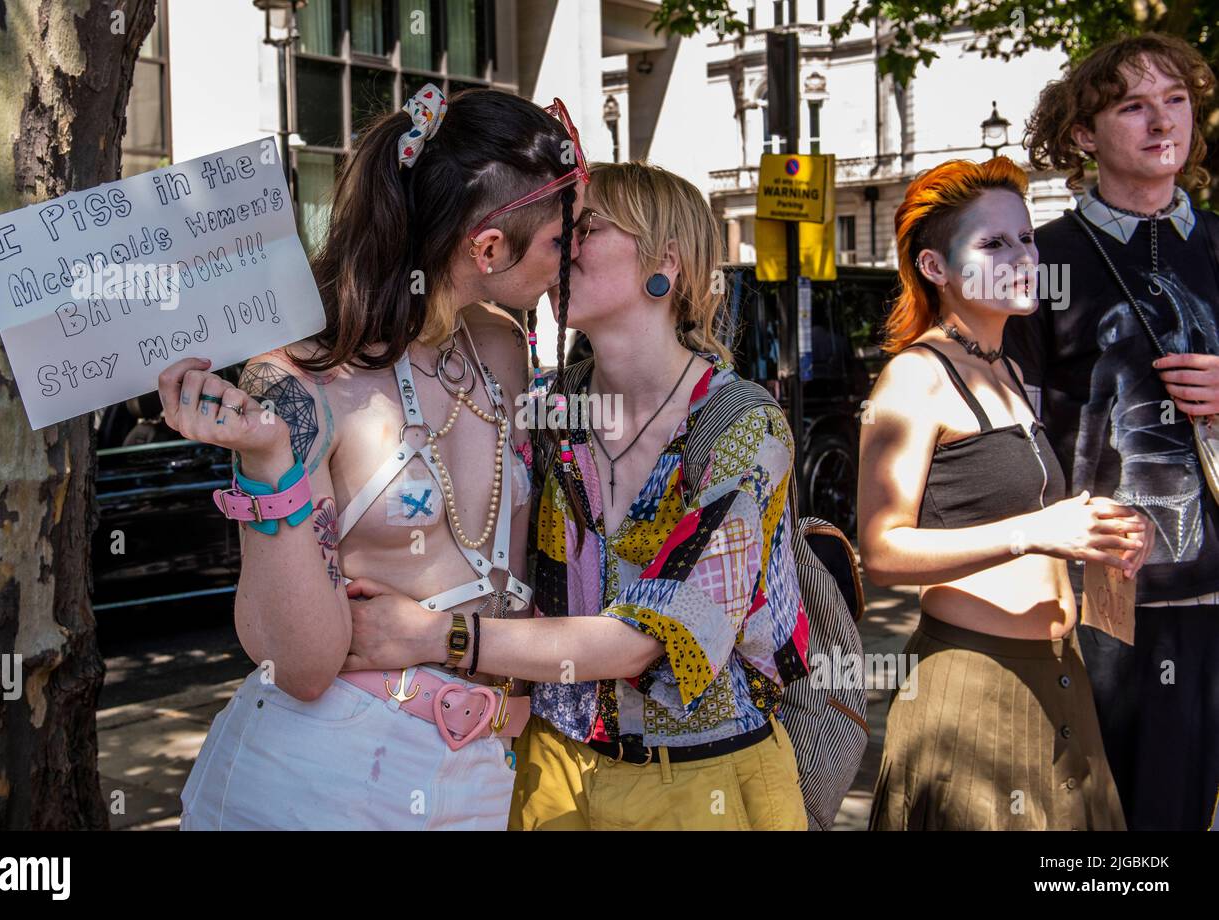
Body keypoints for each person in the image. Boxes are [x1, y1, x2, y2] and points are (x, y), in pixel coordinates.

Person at [166, 85, 592, 829]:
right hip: (319, 776)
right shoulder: (294, 376)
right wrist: (269, 463)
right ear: (488, 249)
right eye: (561, 240)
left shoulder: (499, 349)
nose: (573, 256)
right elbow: (298, 665)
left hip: (481, 769)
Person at [343, 161, 810, 830]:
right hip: (548, 768)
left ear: (666, 263)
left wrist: (433, 636)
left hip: (702, 781)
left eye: (585, 228)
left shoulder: (742, 425)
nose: (559, 245)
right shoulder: (547, 408)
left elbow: (643, 641)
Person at [859, 157, 1147, 830]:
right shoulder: (914, 377)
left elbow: (1023, 510)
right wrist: (1037, 531)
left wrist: (1107, 534)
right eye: (994, 244)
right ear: (935, 268)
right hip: (973, 689)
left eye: (1025, 238)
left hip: (1058, 682)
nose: (1022, 256)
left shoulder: (1008, 367)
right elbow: (881, 550)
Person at [1007, 32, 1219, 830]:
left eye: (1176, 100)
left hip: (1215, 593)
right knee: (1104, 827)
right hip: (1099, 601)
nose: (1163, 121)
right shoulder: (1039, 260)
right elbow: (1006, 428)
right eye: (1133, 105)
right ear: (1082, 136)